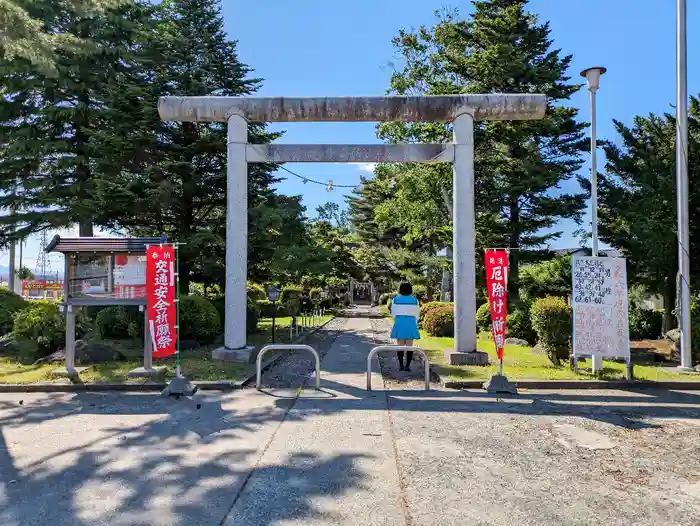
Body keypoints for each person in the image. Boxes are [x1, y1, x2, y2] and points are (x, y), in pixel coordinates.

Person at [390, 282, 420, 371]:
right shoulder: (415, 301)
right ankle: (407, 366)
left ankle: (400, 365)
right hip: (410, 322)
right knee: (409, 346)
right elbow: (417, 314)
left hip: (399, 322)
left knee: (400, 345)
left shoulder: (395, 300)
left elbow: (393, 314)